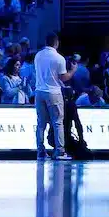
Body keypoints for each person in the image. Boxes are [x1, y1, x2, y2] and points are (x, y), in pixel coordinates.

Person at [34, 33, 75, 161]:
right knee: (57, 122)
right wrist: (73, 70)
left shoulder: (38, 55)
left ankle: (40, 151)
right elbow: (63, 77)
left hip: (39, 91)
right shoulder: (59, 58)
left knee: (41, 124)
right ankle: (59, 151)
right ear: (56, 43)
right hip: (53, 92)